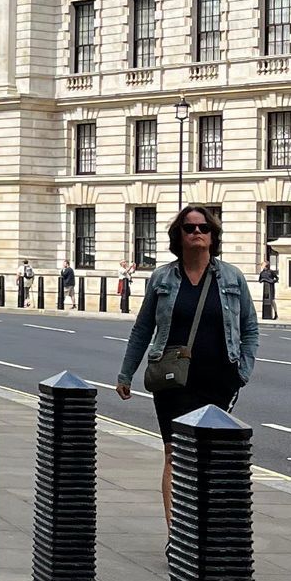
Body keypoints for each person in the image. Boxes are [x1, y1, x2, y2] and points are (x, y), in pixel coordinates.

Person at [115, 204, 259, 530]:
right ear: (178, 235)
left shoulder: (232, 277)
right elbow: (142, 329)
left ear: (213, 236)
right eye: (190, 228)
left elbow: (249, 327)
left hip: (220, 378)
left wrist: (243, 371)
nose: (197, 233)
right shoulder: (162, 278)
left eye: (203, 228)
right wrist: (126, 373)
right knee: (174, 454)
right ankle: (177, 532)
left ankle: (205, 525)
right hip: (172, 379)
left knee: (210, 455)